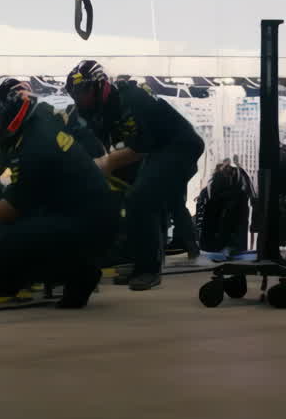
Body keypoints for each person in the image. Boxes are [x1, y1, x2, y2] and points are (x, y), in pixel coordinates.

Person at [0, 77, 117, 308]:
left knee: (16, 236)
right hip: (79, 206)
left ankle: (81, 275)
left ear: (10, 113)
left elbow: (10, 210)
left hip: (92, 221)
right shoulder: (37, 119)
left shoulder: (36, 146)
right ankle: (26, 277)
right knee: (18, 226)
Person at [65, 60, 205, 291]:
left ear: (100, 86)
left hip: (178, 146)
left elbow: (139, 147)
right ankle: (141, 259)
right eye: (75, 93)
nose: (79, 98)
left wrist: (104, 163)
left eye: (83, 91)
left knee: (141, 199)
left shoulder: (132, 99)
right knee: (134, 197)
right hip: (155, 149)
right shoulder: (93, 109)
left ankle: (149, 269)